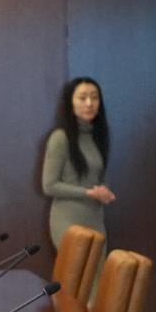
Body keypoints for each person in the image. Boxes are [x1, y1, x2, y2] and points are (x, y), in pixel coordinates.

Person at [41, 77, 115, 250]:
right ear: (70, 104)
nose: (89, 103)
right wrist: (89, 193)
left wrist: (104, 191)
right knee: (76, 276)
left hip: (95, 219)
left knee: (99, 275)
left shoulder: (98, 137)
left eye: (94, 97)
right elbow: (49, 186)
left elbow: (101, 178)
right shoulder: (60, 138)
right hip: (68, 221)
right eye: (82, 98)